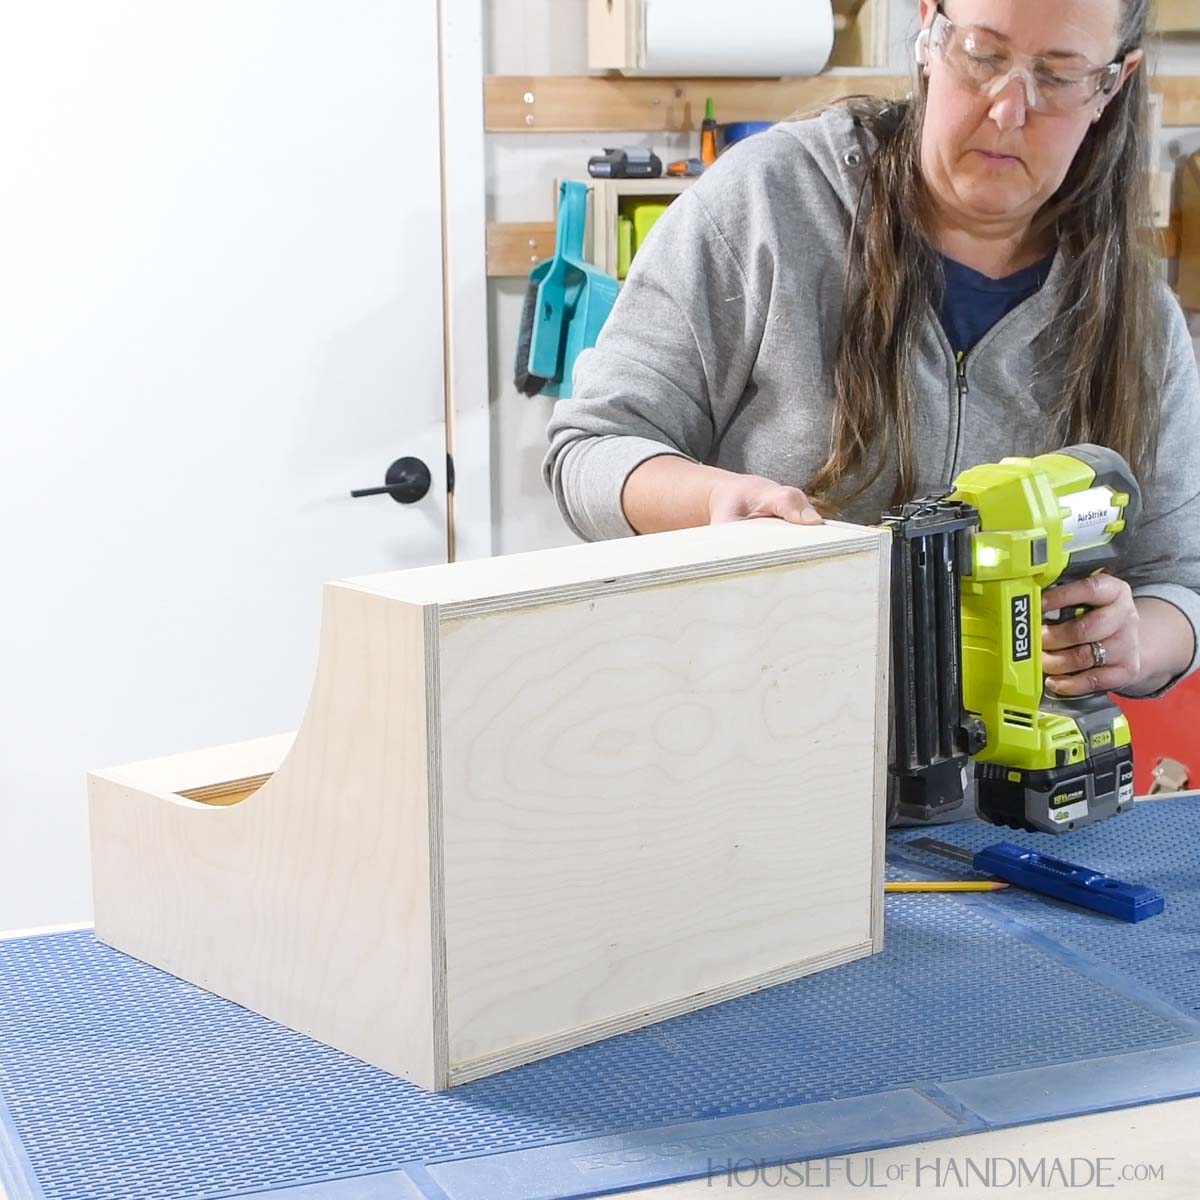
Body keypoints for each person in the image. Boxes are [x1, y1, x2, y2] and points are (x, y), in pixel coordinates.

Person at [544, 0, 1200, 716]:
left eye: (1059, 75)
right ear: (929, 29)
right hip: (766, 756)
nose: (1010, 108)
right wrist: (711, 503)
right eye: (982, 54)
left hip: (1025, 802)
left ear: (1112, 84)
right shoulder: (769, 203)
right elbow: (592, 449)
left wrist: (1134, 640)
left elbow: (1181, 580)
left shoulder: (1141, 320)